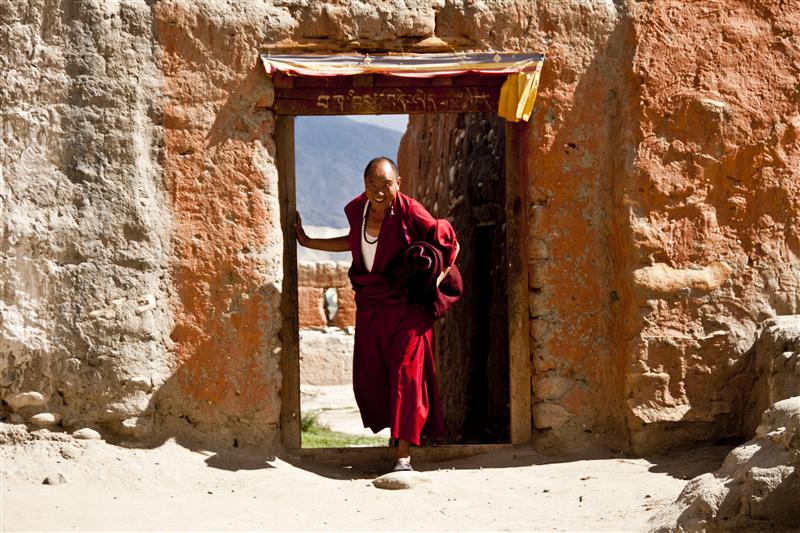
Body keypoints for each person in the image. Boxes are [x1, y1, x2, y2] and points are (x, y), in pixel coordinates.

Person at [296, 156, 460, 472]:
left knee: (408, 376)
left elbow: (449, 243)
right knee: (374, 377)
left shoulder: (410, 210)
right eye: (373, 185)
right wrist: (308, 241)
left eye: (386, 184)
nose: (380, 191)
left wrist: (435, 281)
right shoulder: (360, 212)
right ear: (364, 186)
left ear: (398, 183)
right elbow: (354, 243)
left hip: (408, 309)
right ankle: (395, 438)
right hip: (373, 307)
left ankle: (403, 456)